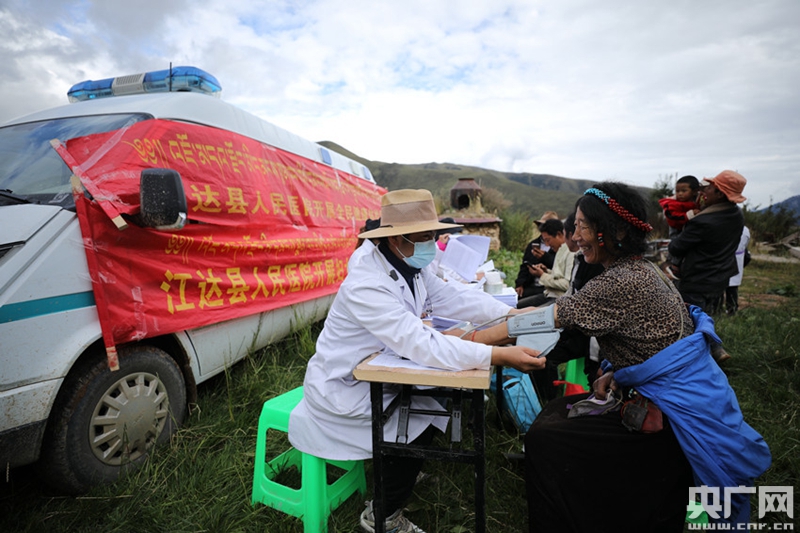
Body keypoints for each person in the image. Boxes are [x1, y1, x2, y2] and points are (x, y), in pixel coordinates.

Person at [474, 182, 770, 531]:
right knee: (555, 414)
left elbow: (549, 318)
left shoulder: (621, 282)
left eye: (584, 226)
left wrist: (472, 341)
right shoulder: (642, 269)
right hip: (668, 390)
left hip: (672, 406)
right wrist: (618, 373)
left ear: (615, 231)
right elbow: (655, 342)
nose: (576, 236)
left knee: (546, 437)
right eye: (576, 226)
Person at [288, 189, 544, 533]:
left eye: (433, 236)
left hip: (380, 370)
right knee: (418, 419)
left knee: (432, 404)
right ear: (396, 238)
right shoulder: (367, 283)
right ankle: (383, 516)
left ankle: (403, 469)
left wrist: (509, 313)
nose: (431, 244)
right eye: (424, 237)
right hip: (345, 387)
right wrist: (496, 354)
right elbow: (420, 342)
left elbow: (453, 296)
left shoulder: (410, 265)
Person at [527, 213, 604, 401]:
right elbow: (571, 293)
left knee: (542, 355)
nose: (577, 238)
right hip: (573, 324)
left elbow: (575, 300)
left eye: (581, 230)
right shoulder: (579, 257)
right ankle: (546, 402)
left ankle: (549, 402)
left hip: (586, 333)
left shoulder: (595, 263)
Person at [668, 170, 747, 314]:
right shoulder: (737, 214)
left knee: (691, 320)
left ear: (720, 194)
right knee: (709, 317)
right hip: (720, 279)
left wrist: (681, 226)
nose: (704, 191)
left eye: (709, 188)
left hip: (697, 282)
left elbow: (675, 247)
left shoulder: (703, 221)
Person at [516, 218, 575, 308]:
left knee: (527, 312)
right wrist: (546, 271)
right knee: (517, 305)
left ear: (559, 235)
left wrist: (542, 275)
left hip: (559, 298)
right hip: (548, 294)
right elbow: (559, 275)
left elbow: (567, 284)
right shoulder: (559, 249)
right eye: (545, 241)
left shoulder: (570, 252)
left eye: (548, 240)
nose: (547, 245)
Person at [658, 175, 701, 279]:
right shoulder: (672, 203)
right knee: (677, 247)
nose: (680, 194)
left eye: (683, 191)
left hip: (687, 229)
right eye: (677, 191)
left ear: (694, 191)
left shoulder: (696, 202)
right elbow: (672, 216)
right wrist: (688, 215)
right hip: (676, 229)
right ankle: (674, 266)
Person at [514, 211, 559, 302]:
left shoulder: (559, 247)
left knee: (522, 304)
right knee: (514, 300)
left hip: (548, 287)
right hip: (532, 284)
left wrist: (545, 258)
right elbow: (525, 266)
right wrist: (520, 284)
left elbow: (558, 266)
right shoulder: (533, 244)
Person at [725, 225, 751, 314]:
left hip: (725, 257)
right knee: (732, 288)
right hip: (737, 258)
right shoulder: (745, 230)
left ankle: (718, 309)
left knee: (722, 287)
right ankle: (732, 309)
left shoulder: (723, 226)